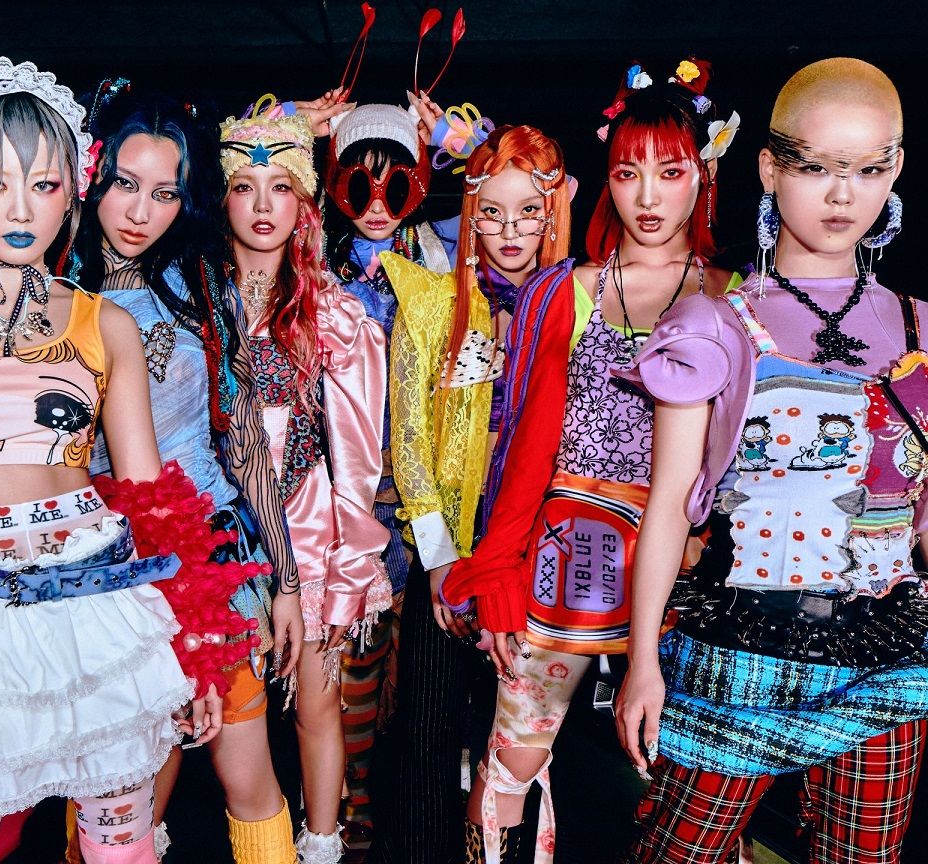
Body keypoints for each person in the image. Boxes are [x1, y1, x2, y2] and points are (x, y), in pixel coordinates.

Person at [0, 57, 244, 864]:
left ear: (76, 188)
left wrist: (201, 642)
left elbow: (151, 498)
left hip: (100, 610)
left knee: (122, 847)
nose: (23, 208)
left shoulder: (107, 324)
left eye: (46, 184)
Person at [615, 57, 927, 864]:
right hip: (739, 656)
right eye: (816, 167)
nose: (842, 194)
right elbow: (667, 504)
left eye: (868, 169)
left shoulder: (921, 328)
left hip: (891, 662)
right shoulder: (713, 324)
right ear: (769, 167)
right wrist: (642, 663)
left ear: (896, 168)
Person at [441, 59, 740, 863]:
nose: (648, 196)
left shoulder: (735, 297)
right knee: (510, 765)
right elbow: (525, 447)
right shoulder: (563, 291)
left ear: (703, 177)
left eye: (670, 172)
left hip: (687, 572)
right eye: (628, 172)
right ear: (606, 180)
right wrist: (499, 573)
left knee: (698, 790)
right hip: (566, 558)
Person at [72, 80, 303, 863]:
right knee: (113, 795)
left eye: (165, 193)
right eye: (125, 185)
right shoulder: (55, 298)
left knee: (249, 777)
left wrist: (288, 581)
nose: (141, 211)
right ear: (92, 179)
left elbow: (245, 447)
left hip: (210, 556)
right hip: (101, 571)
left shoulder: (202, 289)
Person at [368, 124, 572, 864]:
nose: (510, 231)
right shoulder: (429, 302)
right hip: (447, 555)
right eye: (492, 212)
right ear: (471, 215)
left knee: (517, 744)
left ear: (551, 215)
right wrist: (439, 559)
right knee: (425, 731)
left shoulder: (579, 307)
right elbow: (409, 442)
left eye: (528, 212)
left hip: (537, 562)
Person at [220, 108, 390, 863]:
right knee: (190, 708)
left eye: (281, 186)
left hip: (309, 527)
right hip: (217, 533)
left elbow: (357, 457)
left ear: (305, 203)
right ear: (221, 198)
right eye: (244, 186)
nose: (263, 205)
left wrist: (350, 560)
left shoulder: (335, 315)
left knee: (315, 705)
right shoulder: (192, 303)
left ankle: (321, 848)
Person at [321, 98, 458, 837]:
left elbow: (545, 196)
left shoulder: (444, 251)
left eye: (397, 184)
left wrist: (465, 140)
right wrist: (288, 124)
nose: (377, 203)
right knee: (353, 671)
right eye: (357, 184)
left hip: (428, 500)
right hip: (348, 503)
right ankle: (351, 813)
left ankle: (405, 819)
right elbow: (234, 196)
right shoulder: (312, 262)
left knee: (422, 683)